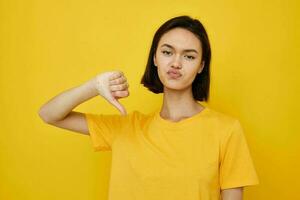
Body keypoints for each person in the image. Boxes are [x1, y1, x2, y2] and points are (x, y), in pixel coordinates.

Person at [38, 15, 259, 200]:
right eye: (167, 52)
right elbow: (49, 114)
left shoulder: (226, 130)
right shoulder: (126, 128)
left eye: (189, 56)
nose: (176, 63)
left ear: (201, 66)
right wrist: (93, 86)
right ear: (154, 57)